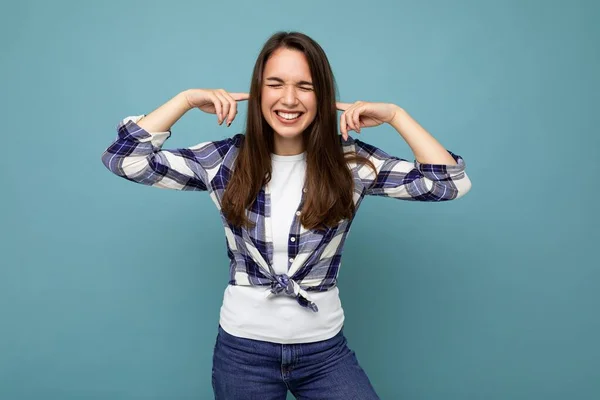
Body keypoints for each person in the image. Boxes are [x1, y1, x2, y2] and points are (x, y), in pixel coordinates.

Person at [101, 31, 471, 400]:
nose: (289, 99)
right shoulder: (224, 161)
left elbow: (449, 183)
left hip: (324, 353)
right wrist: (184, 100)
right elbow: (124, 158)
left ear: (323, 96)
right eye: (275, 84)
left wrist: (395, 115)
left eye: (305, 86)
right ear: (258, 92)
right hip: (243, 354)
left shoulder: (351, 164)